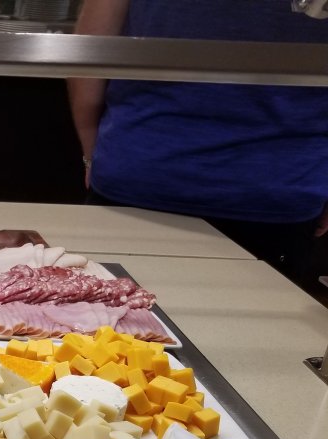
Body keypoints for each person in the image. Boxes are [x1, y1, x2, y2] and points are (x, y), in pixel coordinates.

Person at [68, 0, 328, 294]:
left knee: (107, 319)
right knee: (256, 320)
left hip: (145, 163)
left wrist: (93, 153)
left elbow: (90, 46)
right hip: (281, 180)